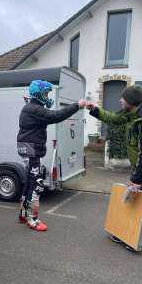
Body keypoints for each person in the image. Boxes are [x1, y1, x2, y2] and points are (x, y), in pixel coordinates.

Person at [86, 84, 142, 251]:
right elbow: (114, 119)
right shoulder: (131, 113)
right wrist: (95, 110)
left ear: (132, 102)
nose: (120, 100)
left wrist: (137, 179)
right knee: (135, 198)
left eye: (124, 98)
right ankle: (128, 232)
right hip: (139, 163)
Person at [17, 80, 87, 232]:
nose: (48, 96)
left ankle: (24, 214)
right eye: (46, 93)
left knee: (30, 182)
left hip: (29, 148)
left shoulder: (31, 108)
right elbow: (56, 116)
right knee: (37, 183)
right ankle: (32, 219)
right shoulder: (34, 109)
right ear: (38, 94)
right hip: (31, 150)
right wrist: (77, 105)